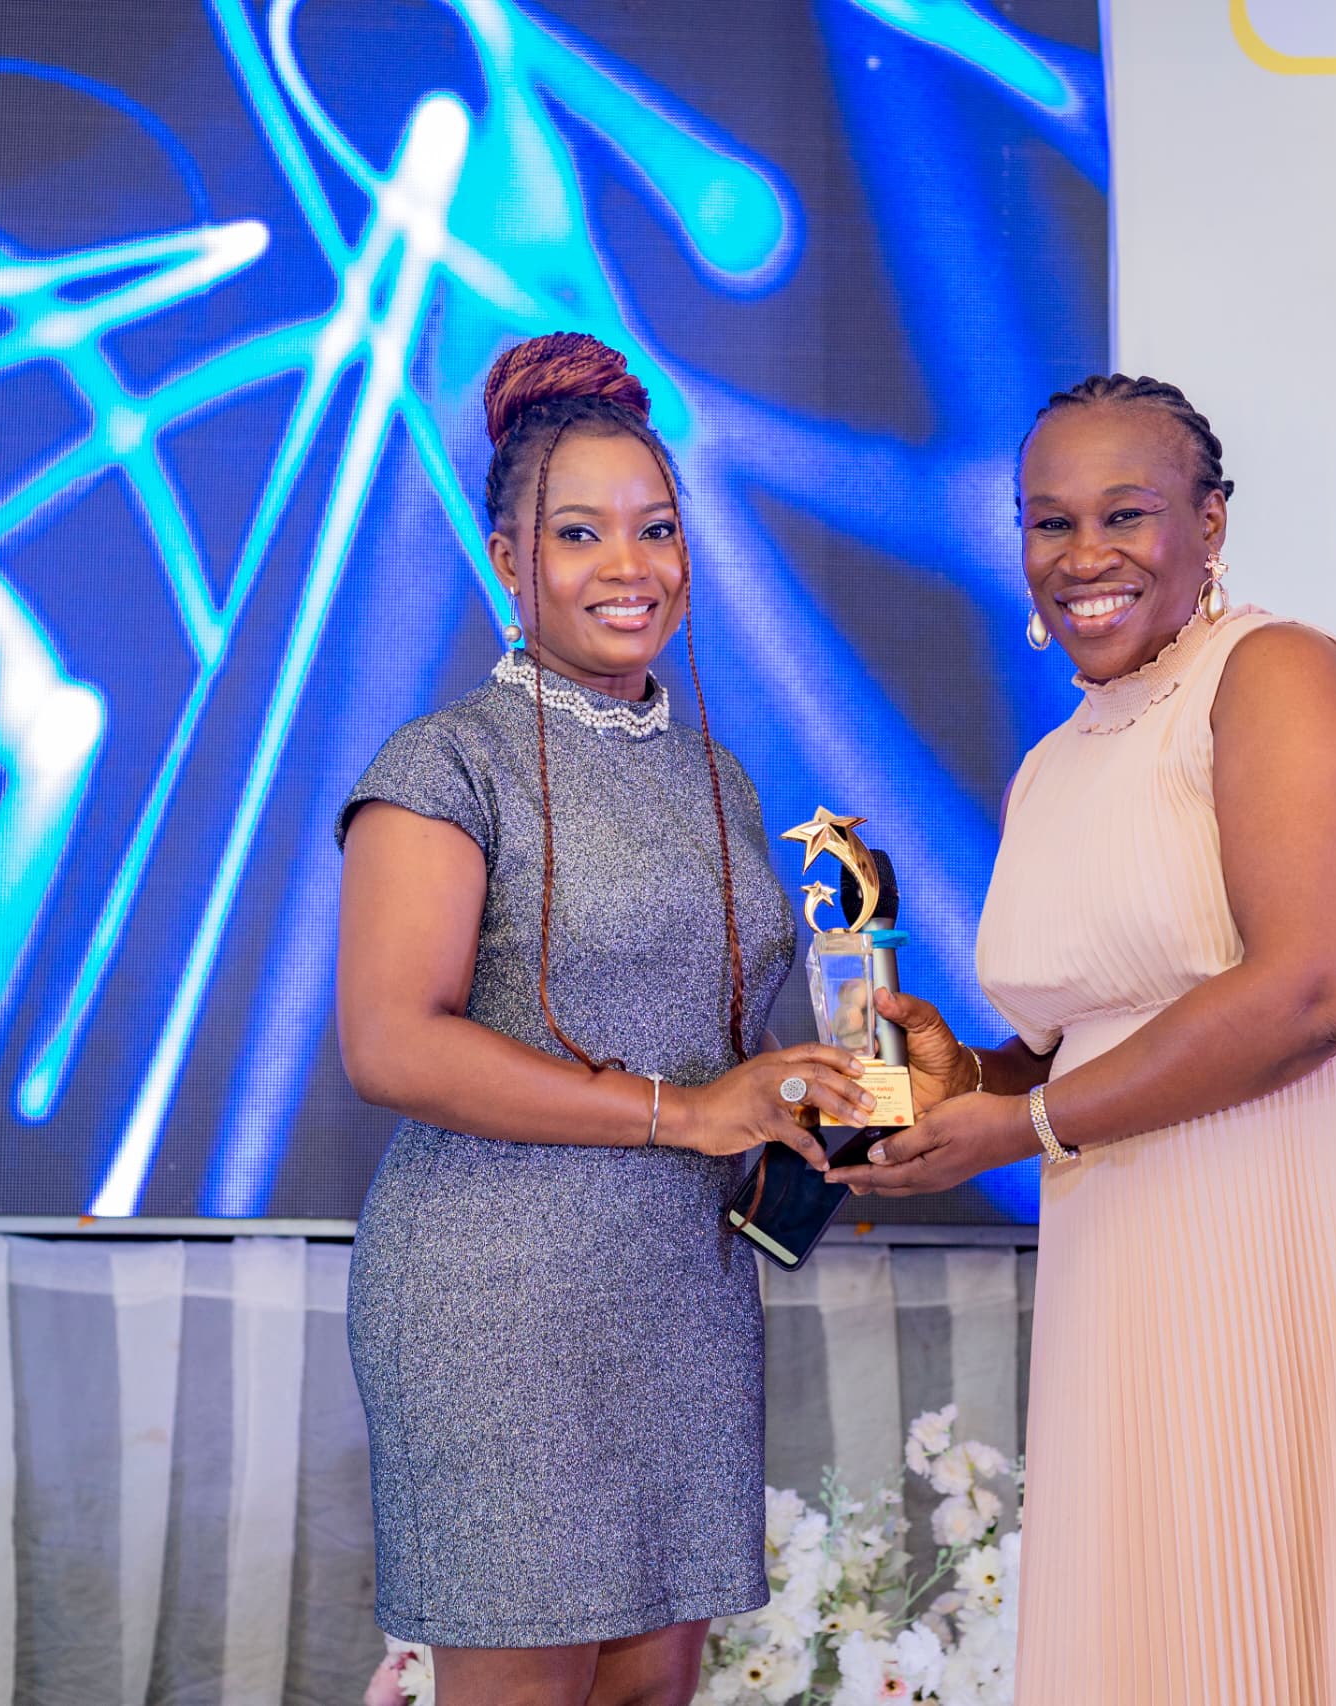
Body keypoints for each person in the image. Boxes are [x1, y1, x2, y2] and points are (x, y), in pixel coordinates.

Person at [830, 374, 1336, 1703]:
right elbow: (1107, 1031)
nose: (1084, 554)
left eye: (1126, 514)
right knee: (1189, 1608)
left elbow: (1312, 989)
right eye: (1050, 521)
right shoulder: (1054, 760)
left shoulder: (1278, 672)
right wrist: (974, 1076)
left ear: (1211, 523)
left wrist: (1025, 1124)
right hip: (1144, 1232)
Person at [334, 332, 870, 1706]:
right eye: (579, 533)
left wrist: (834, 1086)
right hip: (497, 1296)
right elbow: (390, 1041)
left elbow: (725, 1046)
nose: (631, 565)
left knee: (647, 1691)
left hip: (682, 1293)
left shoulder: (717, 775)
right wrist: (684, 1113)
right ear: (508, 562)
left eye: (658, 528)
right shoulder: (444, 762)